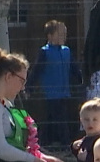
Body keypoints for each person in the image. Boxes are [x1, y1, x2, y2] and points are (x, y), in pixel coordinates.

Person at [27, 20, 83, 148]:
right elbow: (37, 70)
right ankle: (62, 144)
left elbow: (74, 67)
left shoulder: (66, 50)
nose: (63, 36)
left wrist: (81, 79)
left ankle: (55, 143)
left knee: (59, 117)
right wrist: (29, 87)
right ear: (50, 36)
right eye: (60, 34)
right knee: (55, 118)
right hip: (50, 92)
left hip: (64, 91)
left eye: (64, 34)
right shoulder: (45, 52)